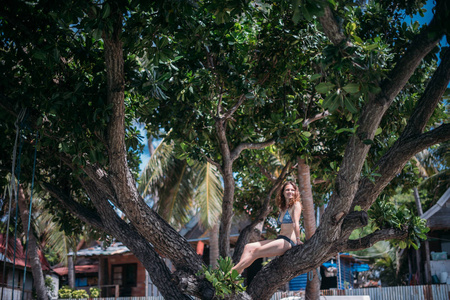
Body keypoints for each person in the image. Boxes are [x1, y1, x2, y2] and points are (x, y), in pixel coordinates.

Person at [232, 181, 303, 274]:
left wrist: (298, 239)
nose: (290, 192)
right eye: (287, 190)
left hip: (289, 241)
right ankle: (235, 279)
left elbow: (295, 223)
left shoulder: (296, 204)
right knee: (248, 247)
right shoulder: (283, 208)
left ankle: (230, 273)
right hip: (281, 238)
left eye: (292, 190)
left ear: (296, 192)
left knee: (255, 252)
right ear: (283, 192)